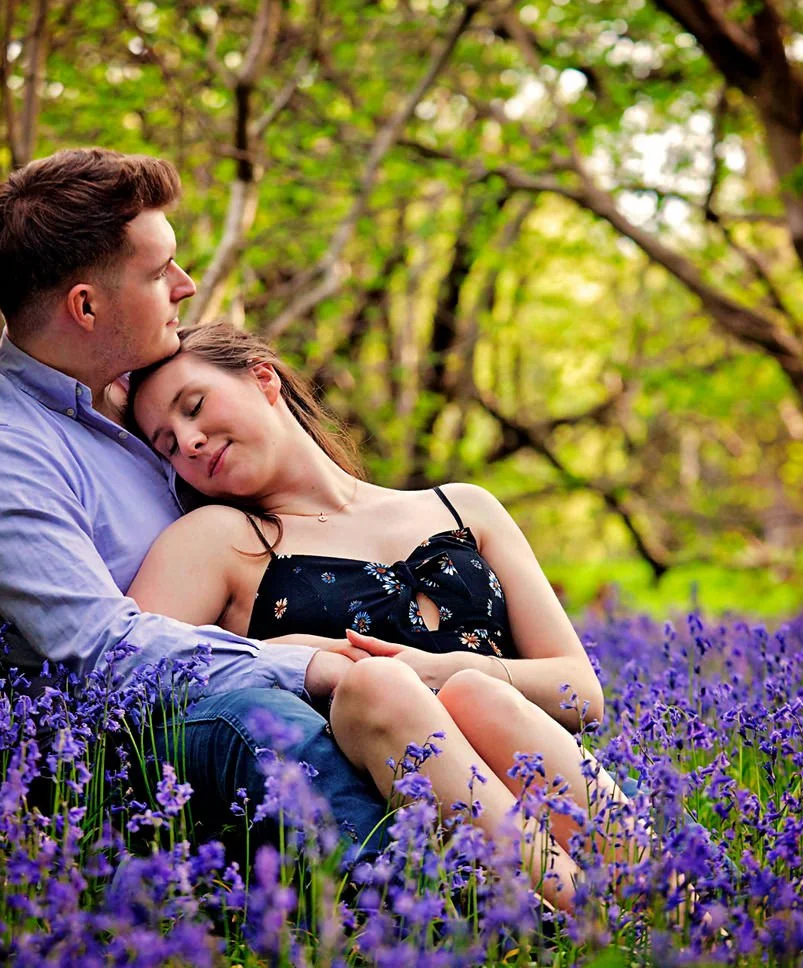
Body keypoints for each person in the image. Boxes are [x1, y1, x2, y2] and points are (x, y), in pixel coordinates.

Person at [0, 148, 390, 863]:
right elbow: (100, 655)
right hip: (119, 744)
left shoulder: (149, 395)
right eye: (158, 271)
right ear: (86, 306)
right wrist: (302, 667)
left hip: (234, 677)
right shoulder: (1, 453)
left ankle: (546, 877)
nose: (186, 284)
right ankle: (414, 903)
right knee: (256, 719)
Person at [125, 322, 626, 907]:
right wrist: (301, 655)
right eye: (166, 443)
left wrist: (442, 672)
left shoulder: (463, 507)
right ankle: (592, 919)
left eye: (195, 407)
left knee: (475, 695)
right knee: (376, 685)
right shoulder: (216, 539)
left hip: (530, 761)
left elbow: (581, 692)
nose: (188, 442)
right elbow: (130, 671)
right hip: (385, 809)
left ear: (263, 379)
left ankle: (675, 909)